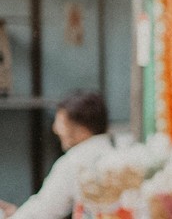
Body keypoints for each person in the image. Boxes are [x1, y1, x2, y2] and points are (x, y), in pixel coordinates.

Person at [1, 91, 114, 219]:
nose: (55, 128)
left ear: (82, 129)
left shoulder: (75, 161)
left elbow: (44, 209)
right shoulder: (119, 152)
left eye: (61, 122)